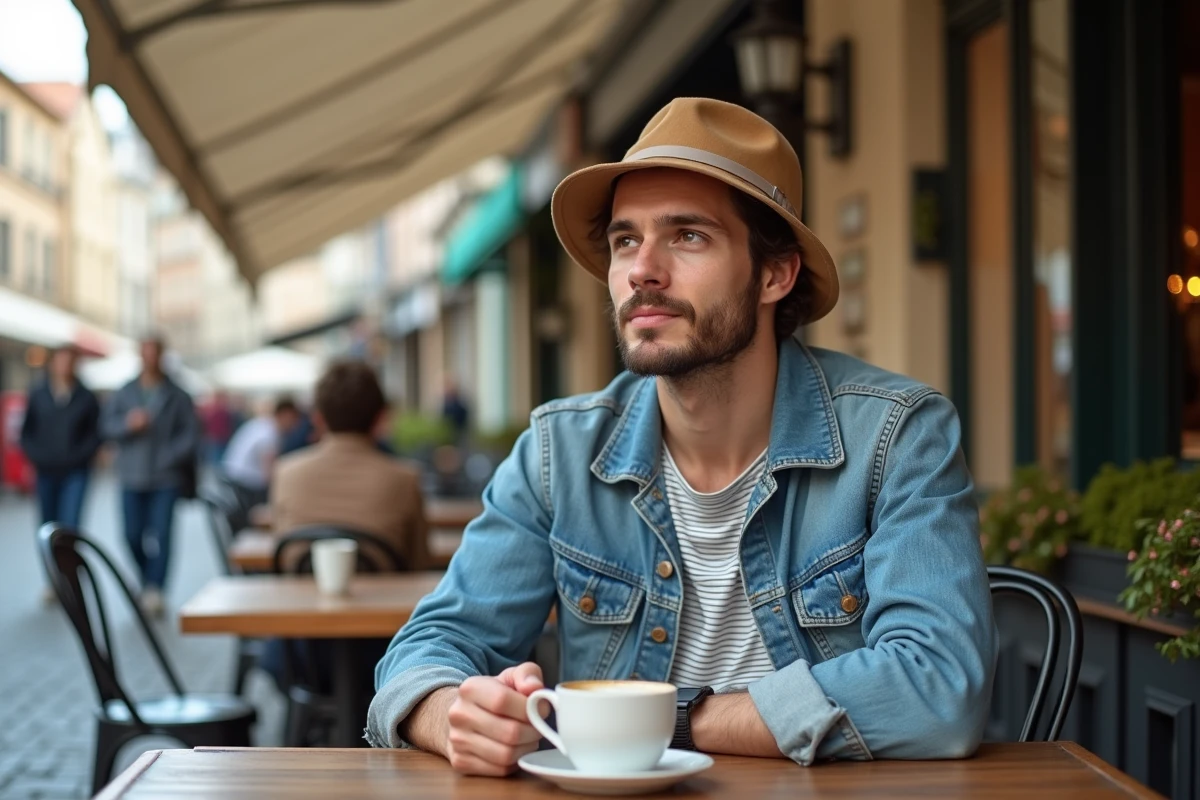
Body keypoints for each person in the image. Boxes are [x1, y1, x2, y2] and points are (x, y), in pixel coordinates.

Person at [368, 98, 995, 771]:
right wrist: (451, 715)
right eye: (625, 240)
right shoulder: (560, 454)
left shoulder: (895, 436)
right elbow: (429, 648)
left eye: (688, 236)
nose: (643, 270)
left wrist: (673, 719)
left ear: (774, 274)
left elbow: (939, 688)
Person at [270, 362, 428, 571]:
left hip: (300, 602)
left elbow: (282, 553)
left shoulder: (285, 473)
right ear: (380, 418)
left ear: (318, 419)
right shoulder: (405, 479)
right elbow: (419, 562)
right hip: (385, 603)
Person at [101, 335, 200, 617]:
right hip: (131, 474)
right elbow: (107, 427)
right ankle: (147, 581)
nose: (150, 359)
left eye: (154, 353)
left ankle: (156, 588)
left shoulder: (177, 393)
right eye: (145, 353)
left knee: (163, 534)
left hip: (164, 477)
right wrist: (128, 425)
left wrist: (170, 455)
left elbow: (191, 434)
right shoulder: (125, 392)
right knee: (131, 535)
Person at [20, 346, 101, 602]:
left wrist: (80, 456)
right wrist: (37, 456)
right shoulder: (38, 393)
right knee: (47, 526)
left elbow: (95, 434)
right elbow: (26, 432)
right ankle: (53, 581)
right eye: (60, 361)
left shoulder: (86, 396)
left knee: (69, 525)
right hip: (46, 471)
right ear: (53, 364)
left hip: (75, 471)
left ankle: (69, 579)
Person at [221, 398, 302, 509]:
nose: (295, 426)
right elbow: (269, 473)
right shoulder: (270, 433)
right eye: (293, 420)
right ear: (285, 415)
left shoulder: (263, 424)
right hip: (245, 483)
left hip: (234, 476)